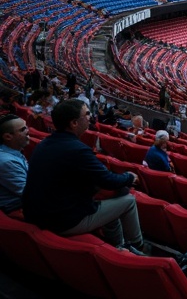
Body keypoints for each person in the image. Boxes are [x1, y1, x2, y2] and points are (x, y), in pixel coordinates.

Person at [23, 99, 147, 253]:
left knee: (110, 203)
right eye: (87, 114)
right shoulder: (77, 150)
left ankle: (118, 245)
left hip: (40, 213)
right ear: (74, 123)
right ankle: (138, 245)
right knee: (129, 200)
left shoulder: (44, 144)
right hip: (62, 220)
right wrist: (129, 177)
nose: (90, 117)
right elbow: (108, 181)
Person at [0, 113, 30, 213]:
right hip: (18, 208)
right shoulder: (7, 162)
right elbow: (30, 194)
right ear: (8, 137)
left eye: (26, 127)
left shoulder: (13, 152)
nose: (28, 131)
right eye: (22, 129)